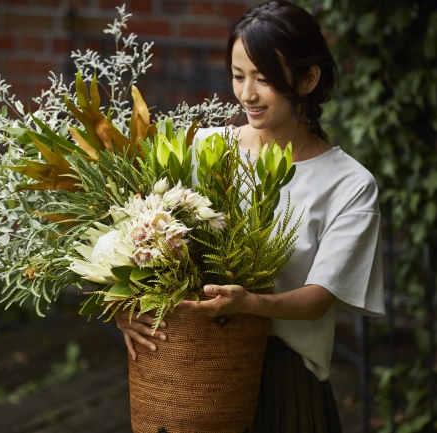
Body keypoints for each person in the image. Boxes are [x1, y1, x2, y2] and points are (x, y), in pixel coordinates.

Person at [115, 1, 385, 431]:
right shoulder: (204, 149)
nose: (246, 95)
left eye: (264, 79)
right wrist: (126, 305)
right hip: (189, 371)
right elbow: (139, 239)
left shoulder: (349, 183)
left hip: (285, 381)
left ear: (309, 79)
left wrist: (250, 304)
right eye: (239, 76)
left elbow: (320, 297)